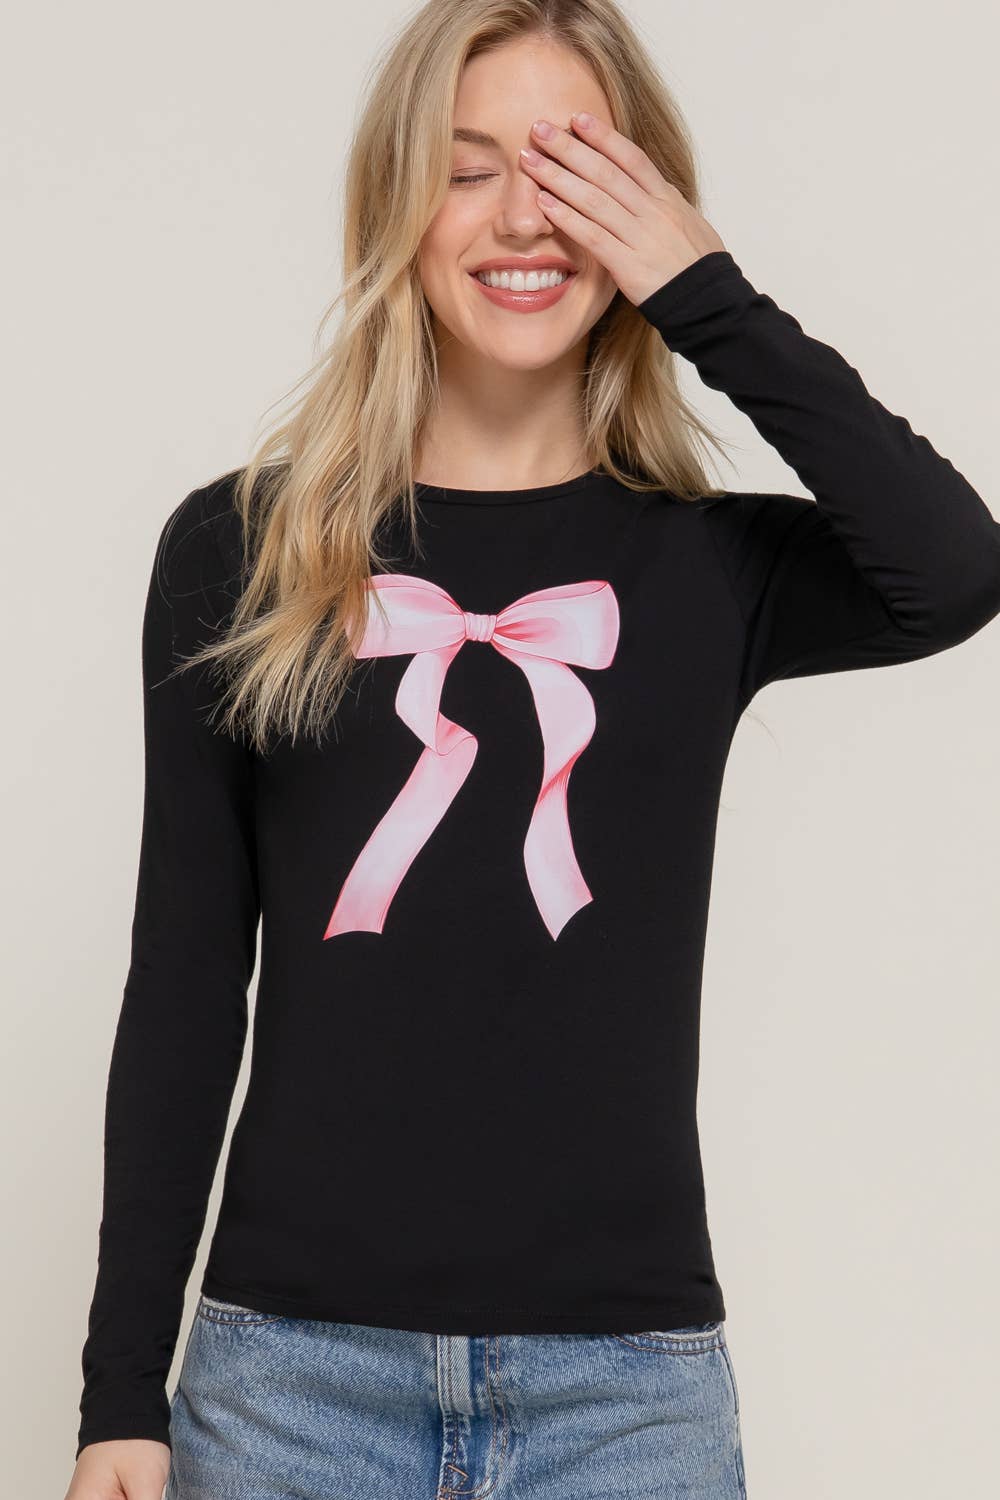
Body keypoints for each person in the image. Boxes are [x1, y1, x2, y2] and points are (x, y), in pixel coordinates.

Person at [67, 3, 1000, 1498]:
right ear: (395, 205)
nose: (523, 217)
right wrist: (120, 1393)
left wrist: (709, 297)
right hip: (288, 1386)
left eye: (574, 171)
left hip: (626, 1400)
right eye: (468, 169)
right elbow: (182, 979)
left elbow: (954, 569)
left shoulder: (708, 568)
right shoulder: (238, 548)